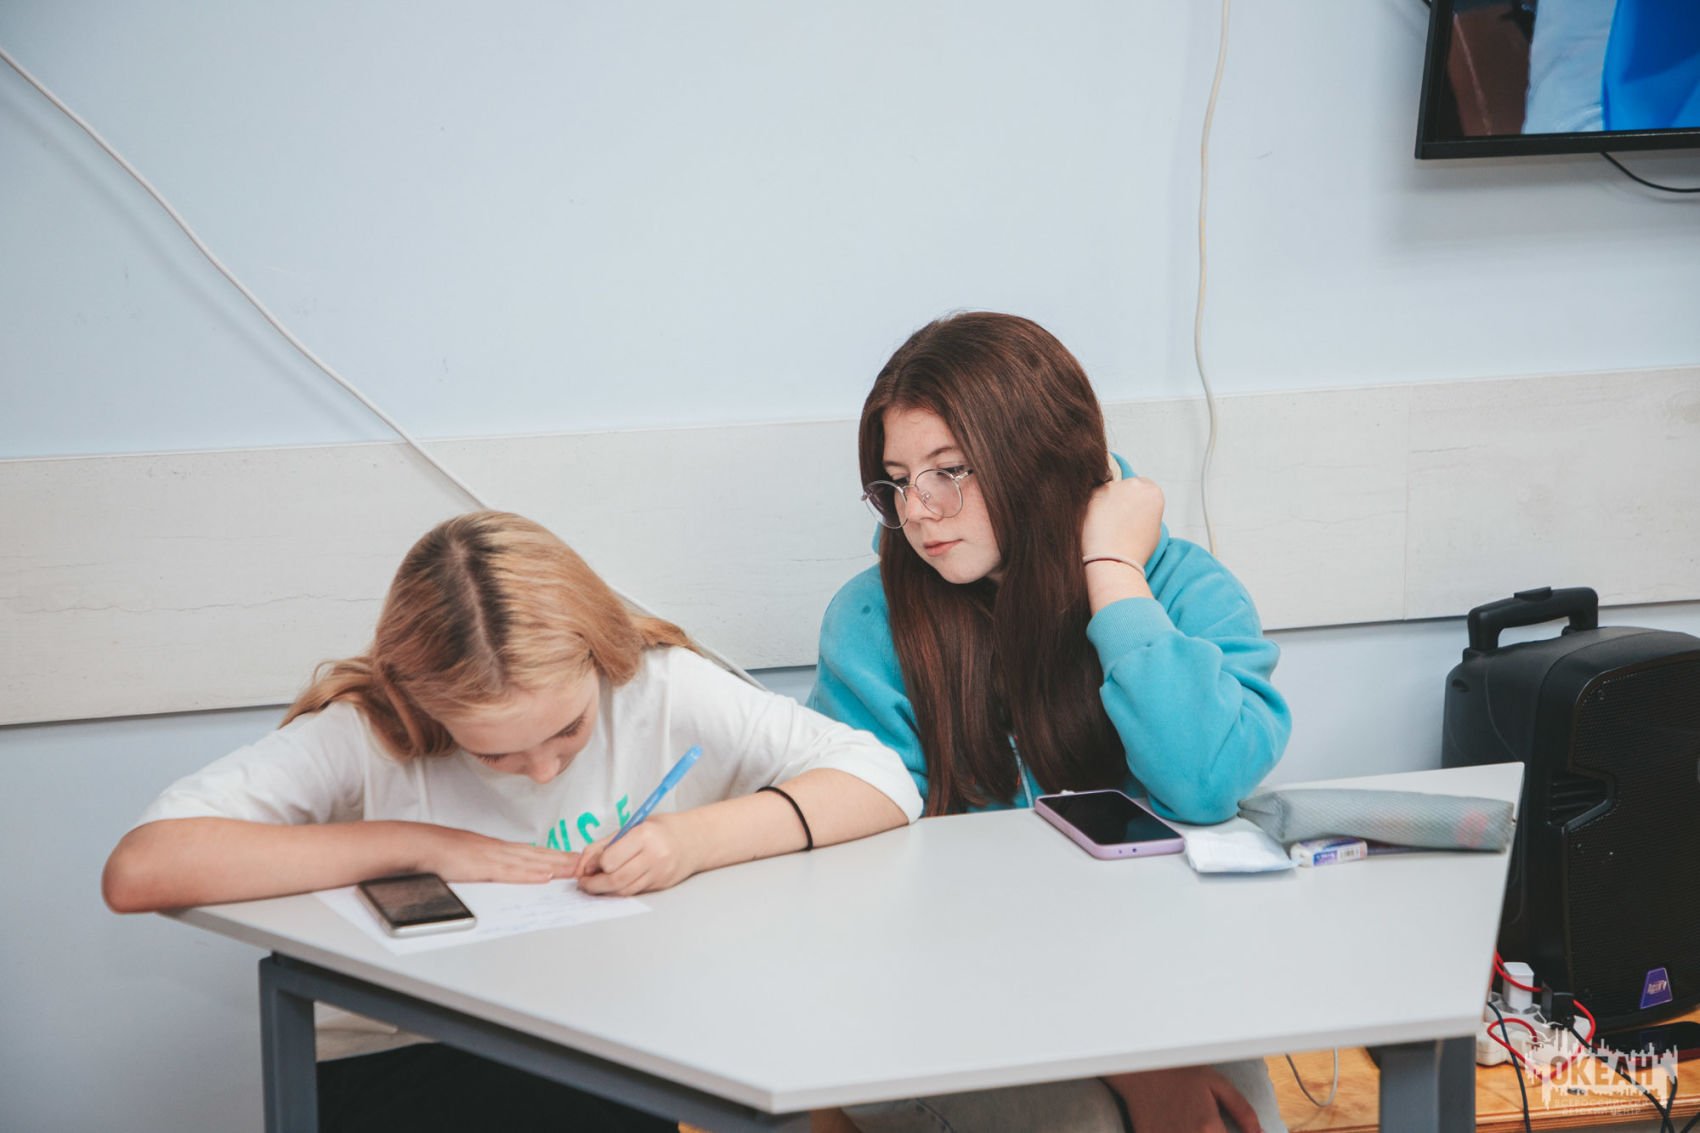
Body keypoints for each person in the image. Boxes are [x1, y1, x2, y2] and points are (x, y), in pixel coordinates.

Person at [103, 510, 922, 1133]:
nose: (542, 770)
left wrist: (691, 840)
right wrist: (423, 847)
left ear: (598, 655)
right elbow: (142, 867)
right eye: (492, 752)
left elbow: (882, 778)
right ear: (422, 701)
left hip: (609, 1036)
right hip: (402, 1054)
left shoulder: (657, 688)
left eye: (567, 730)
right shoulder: (371, 731)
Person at [807, 312, 1292, 1133]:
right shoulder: (871, 621)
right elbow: (876, 883)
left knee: (1240, 1112)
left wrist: (1113, 571)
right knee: (1077, 1119)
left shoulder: (1179, 587)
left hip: (1159, 985)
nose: (918, 510)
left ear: (1037, 458)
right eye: (896, 481)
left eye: (947, 471)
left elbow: (1205, 779)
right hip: (946, 998)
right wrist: (1135, 1063)